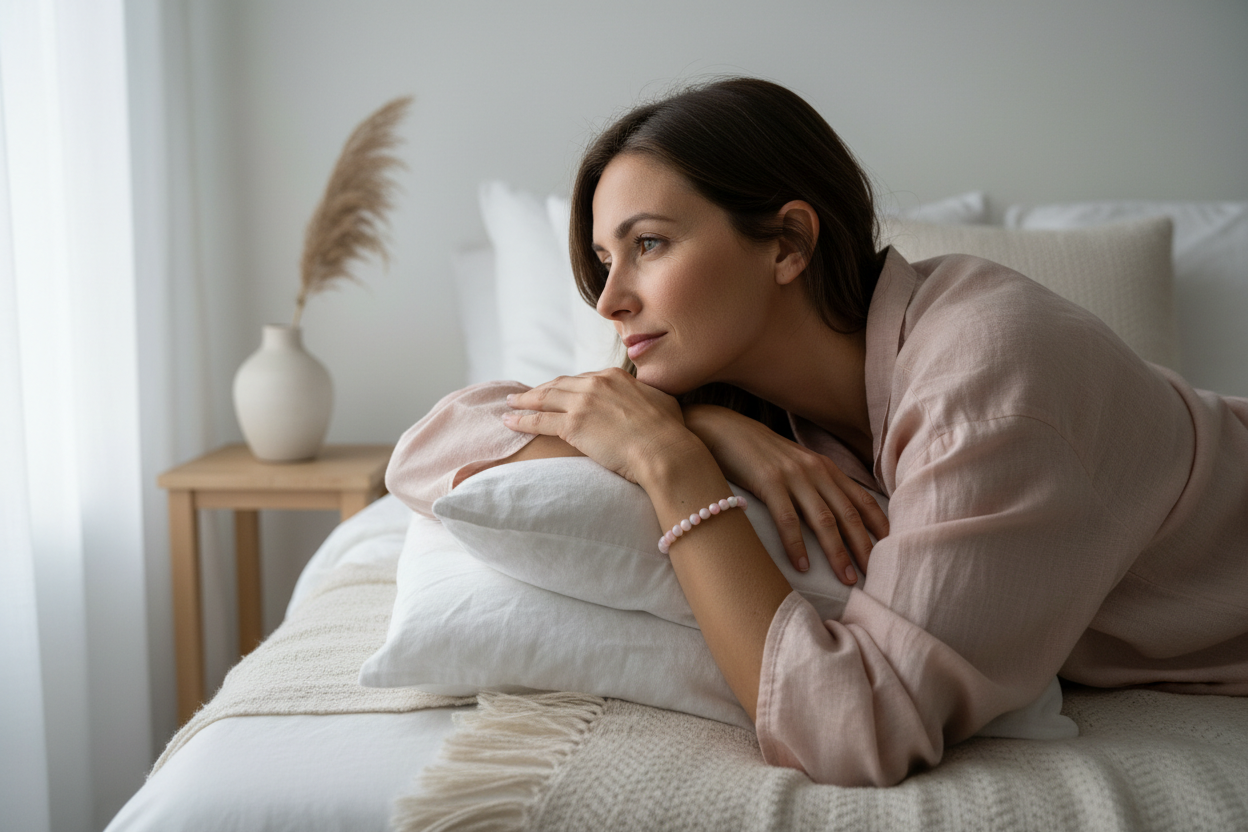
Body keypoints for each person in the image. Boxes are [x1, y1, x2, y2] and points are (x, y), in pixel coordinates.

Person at [386, 78, 1248, 787]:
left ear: (789, 243)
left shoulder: (990, 377)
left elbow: (856, 727)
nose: (610, 300)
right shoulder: (749, 397)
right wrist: (710, 425)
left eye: (648, 244)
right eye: (605, 261)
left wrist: (670, 462)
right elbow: (432, 451)